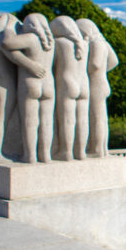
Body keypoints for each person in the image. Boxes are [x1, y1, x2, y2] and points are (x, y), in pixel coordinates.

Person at [0, 13, 54, 163]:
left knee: (30, 121)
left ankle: (30, 155)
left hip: (31, 83)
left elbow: (6, 43)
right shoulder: (51, 42)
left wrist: (10, 26)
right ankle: (46, 155)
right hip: (49, 84)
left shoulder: (30, 38)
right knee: (47, 121)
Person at [76, 18, 118, 158]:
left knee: (96, 118)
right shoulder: (104, 43)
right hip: (103, 83)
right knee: (102, 118)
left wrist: (81, 66)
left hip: (96, 85)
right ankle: (102, 148)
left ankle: (98, 149)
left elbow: (94, 65)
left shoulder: (95, 43)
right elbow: (114, 61)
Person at [49, 16, 89, 161]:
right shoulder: (85, 44)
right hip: (84, 84)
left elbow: (49, 65)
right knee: (83, 120)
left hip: (67, 83)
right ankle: (81, 152)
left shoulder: (59, 43)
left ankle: (66, 152)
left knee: (67, 120)